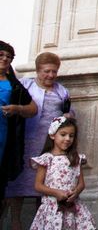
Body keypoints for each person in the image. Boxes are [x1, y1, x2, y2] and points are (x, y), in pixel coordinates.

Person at [5, 52, 74, 230]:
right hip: (26, 141)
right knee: (18, 182)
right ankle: (15, 221)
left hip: (49, 145)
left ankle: (42, 223)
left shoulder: (61, 91)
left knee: (45, 184)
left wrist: (68, 117)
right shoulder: (25, 85)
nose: (50, 75)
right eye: (46, 71)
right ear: (37, 70)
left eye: (54, 72)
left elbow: (69, 114)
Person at [30, 116, 95, 229]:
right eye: (63, 134)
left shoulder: (75, 158)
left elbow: (81, 183)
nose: (67, 139)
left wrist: (76, 193)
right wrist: (56, 192)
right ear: (52, 135)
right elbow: (38, 185)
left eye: (71, 135)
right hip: (52, 209)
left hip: (73, 207)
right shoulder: (46, 159)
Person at [0, 41, 37, 203]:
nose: (5, 59)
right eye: (1, 55)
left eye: (9, 56)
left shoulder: (14, 84)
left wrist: (17, 109)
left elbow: (33, 108)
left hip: (3, 139)